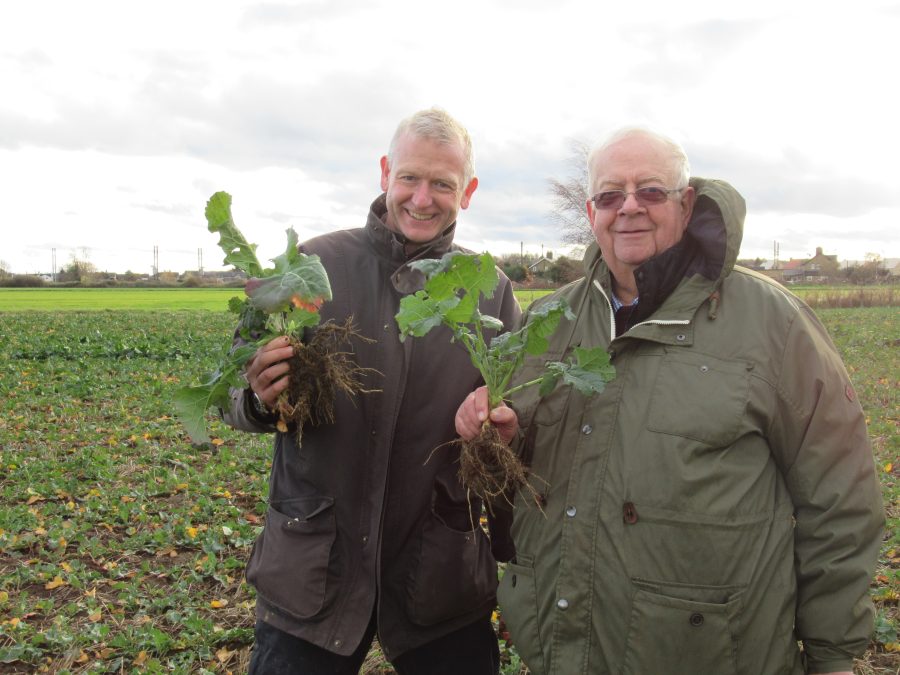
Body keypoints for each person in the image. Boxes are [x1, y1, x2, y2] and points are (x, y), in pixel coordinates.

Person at [455, 127, 884, 675]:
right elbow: (518, 488)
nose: (628, 207)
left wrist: (834, 655)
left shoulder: (772, 323)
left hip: (712, 654)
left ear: (686, 204)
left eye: (650, 191)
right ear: (592, 214)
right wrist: (500, 440)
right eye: (610, 196)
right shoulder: (546, 323)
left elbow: (840, 497)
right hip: (560, 648)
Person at [224, 107, 520, 674]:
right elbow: (232, 399)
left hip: (439, 573)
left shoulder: (489, 289)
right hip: (313, 570)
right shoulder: (314, 266)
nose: (422, 197)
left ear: (469, 191)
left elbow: (514, 412)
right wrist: (260, 398)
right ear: (385, 172)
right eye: (410, 177)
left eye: (443, 184)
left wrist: (504, 427)